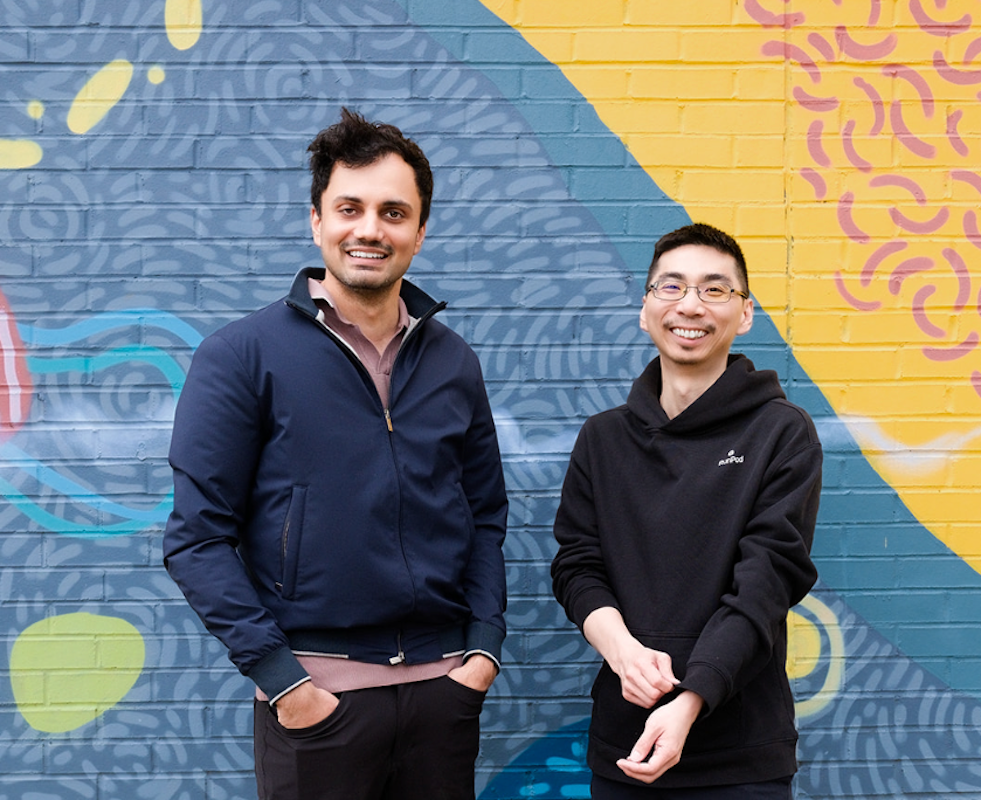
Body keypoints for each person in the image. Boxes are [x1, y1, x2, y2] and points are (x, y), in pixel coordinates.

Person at [163, 108, 508, 800]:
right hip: (317, 701)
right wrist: (284, 683)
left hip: (442, 696)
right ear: (317, 220)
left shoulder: (453, 361)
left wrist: (482, 654)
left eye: (393, 212)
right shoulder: (242, 355)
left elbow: (484, 516)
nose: (370, 230)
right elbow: (197, 539)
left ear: (419, 231)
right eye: (350, 208)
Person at [551, 223, 822, 799]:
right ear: (645, 309)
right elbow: (577, 567)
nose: (690, 306)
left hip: (741, 759)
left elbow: (765, 584)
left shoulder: (782, 433)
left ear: (744, 314)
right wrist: (624, 653)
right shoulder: (603, 439)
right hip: (625, 745)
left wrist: (692, 698)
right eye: (671, 287)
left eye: (714, 289)